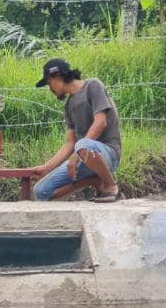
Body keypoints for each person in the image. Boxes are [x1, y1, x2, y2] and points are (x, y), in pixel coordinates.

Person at [29, 58, 121, 203]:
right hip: (82, 154)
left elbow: (100, 122)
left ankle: (110, 185)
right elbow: (70, 143)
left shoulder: (93, 85)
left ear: (57, 76)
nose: (50, 89)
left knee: (82, 145)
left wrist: (76, 155)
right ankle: (92, 180)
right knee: (41, 191)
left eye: (49, 83)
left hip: (107, 154)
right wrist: (46, 167)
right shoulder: (69, 105)